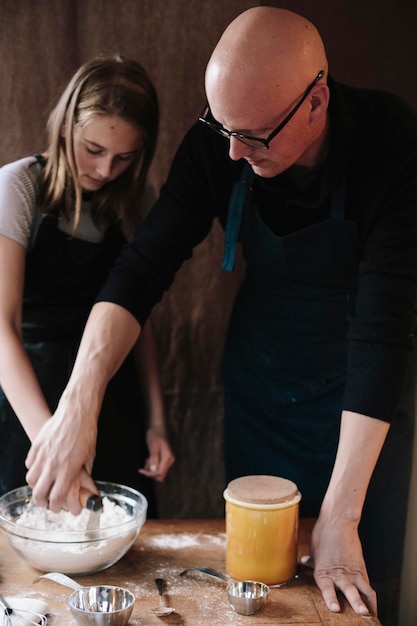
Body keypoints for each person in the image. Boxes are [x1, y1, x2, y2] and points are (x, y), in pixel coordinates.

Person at [25, 7, 417, 624]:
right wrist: (79, 401)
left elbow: (384, 330)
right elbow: (142, 269)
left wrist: (341, 517)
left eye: (255, 137)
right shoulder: (225, 138)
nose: (232, 153)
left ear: (316, 102)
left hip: (363, 403)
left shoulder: (390, 140)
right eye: (222, 127)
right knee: (264, 595)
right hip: (263, 389)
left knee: (350, 591)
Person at [0, 55, 175, 518]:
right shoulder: (20, 188)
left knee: (120, 545)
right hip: (27, 403)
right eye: (92, 149)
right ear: (65, 126)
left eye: (124, 157)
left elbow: (139, 321)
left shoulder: (139, 202)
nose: (103, 170)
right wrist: (53, 441)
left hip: (113, 404)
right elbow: (2, 327)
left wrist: (156, 423)